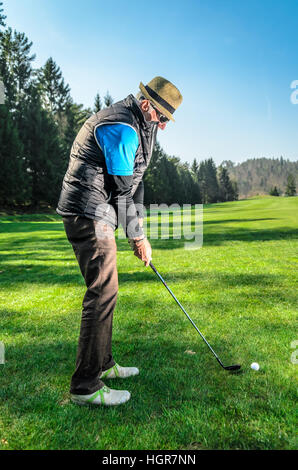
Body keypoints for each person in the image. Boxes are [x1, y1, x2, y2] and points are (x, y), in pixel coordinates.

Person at [56, 76, 183, 406]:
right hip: (87, 211)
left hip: (100, 211)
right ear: (146, 105)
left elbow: (136, 182)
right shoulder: (123, 126)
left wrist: (137, 227)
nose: (165, 125)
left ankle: (105, 364)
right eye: (163, 117)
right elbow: (122, 190)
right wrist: (138, 237)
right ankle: (85, 386)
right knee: (102, 290)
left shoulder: (144, 125)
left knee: (106, 289)